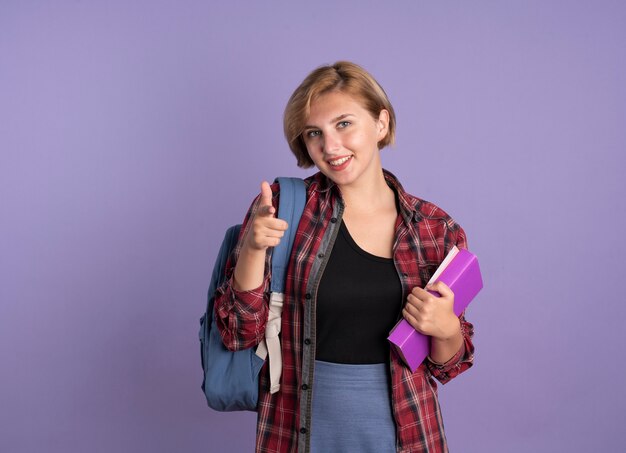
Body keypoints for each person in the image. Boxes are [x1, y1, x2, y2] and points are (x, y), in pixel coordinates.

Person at [214, 61, 474, 453]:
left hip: (406, 433)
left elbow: (448, 365)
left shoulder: (434, 229)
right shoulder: (284, 209)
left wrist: (446, 328)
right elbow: (237, 332)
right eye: (314, 133)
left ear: (381, 124)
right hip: (299, 431)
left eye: (344, 124)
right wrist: (252, 249)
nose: (330, 147)